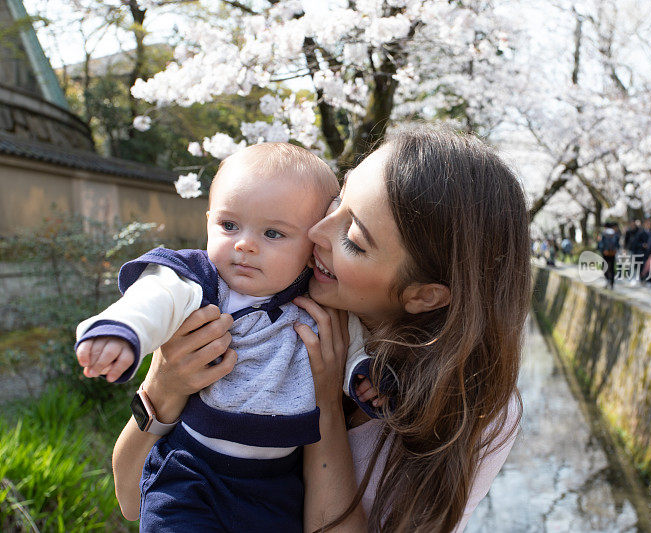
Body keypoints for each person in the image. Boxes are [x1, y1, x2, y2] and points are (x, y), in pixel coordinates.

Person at [110, 126, 529, 532]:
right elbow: (132, 501)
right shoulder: (243, 303)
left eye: (354, 239)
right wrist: (164, 387)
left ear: (424, 295)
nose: (314, 232)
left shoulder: (471, 406)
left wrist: (325, 405)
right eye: (337, 202)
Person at [74, 143, 384, 532]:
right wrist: (123, 331)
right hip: (191, 471)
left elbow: (354, 345)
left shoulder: (318, 302)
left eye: (273, 233)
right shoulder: (200, 281)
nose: (244, 244)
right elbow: (155, 298)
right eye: (228, 225)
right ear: (208, 220)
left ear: (312, 246)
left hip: (277, 482)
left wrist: (365, 376)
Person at [597, 221, 620, 288]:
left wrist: (602, 250)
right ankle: (612, 283)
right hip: (612, 253)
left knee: (605, 267)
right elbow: (617, 244)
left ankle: (607, 280)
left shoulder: (603, 233)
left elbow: (600, 244)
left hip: (605, 253)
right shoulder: (614, 233)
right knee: (612, 267)